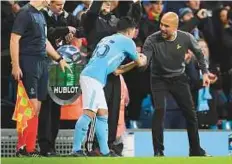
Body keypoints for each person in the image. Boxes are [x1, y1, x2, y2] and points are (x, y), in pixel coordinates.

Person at [71, 16, 147, 157]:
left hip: (92, 76)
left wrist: (135, 62)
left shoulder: (106, 39)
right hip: (93, 78)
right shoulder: (128, 41)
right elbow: (140, 62)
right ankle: (76, 149)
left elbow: (117, 70)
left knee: (102, 115)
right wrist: (143, 58)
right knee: (89, 114)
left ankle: (105, 151)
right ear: (131, 30)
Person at [143, 12, 214, 156]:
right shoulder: (151, 40)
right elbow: (145, 62)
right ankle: (158, 152)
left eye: (166, 26)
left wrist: (205, 72)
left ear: (175, 27)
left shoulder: (186, 37)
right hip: (158, 79)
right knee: (159, 111)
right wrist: (141, 62)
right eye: (161, 24)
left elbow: (199, 54)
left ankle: (195, 150)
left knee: (191, 115)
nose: (162, 28)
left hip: (179, 78)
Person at [10, 0, 70, 157]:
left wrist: (59, 58)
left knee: (36, 107)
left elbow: (45, 42)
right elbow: (14, 39)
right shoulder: (25, 13)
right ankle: (22, 147)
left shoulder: (40, 15)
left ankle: (29, 147)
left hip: (42, 62)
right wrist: (15, 65)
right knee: (29, 105)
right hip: (29, 61)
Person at [38, 0, 83, 156]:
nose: (61, 8)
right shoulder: (42, 15)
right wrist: (65, 29)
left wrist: (74, 32)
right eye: (58, 5)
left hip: (61, 67)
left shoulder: (68, 16)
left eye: (62, 5)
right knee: (46, 106)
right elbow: (47, 33)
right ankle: (44, 145)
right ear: (49, 3)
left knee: (56, 106)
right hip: (45, 64)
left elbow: (83, 29)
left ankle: (52, 145)